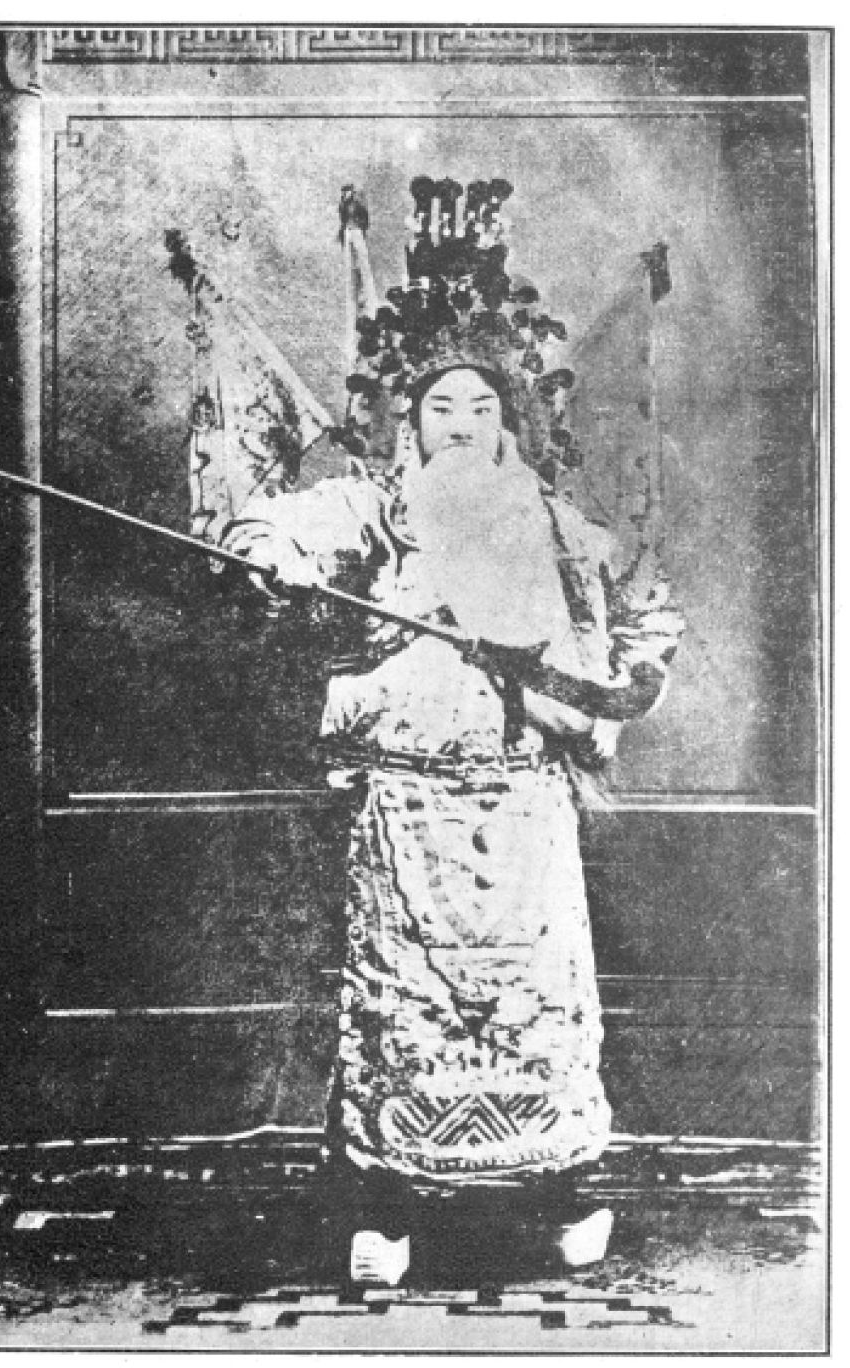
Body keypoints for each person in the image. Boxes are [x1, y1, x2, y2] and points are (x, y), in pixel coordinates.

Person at [220, 177, 684, 1287]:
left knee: (535, 996)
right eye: (441, 408)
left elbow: (644, 610)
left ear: (509, 422)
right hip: (408, 798)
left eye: (480, 407)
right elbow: (267, 526)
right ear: (409, 423)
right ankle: (386, 1206)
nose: (462, 423)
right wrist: (266, 553)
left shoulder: (560, 527)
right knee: (405, 999)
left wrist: (630, 674)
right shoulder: (374, 508)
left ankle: (562, 1183)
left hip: (525, 796)